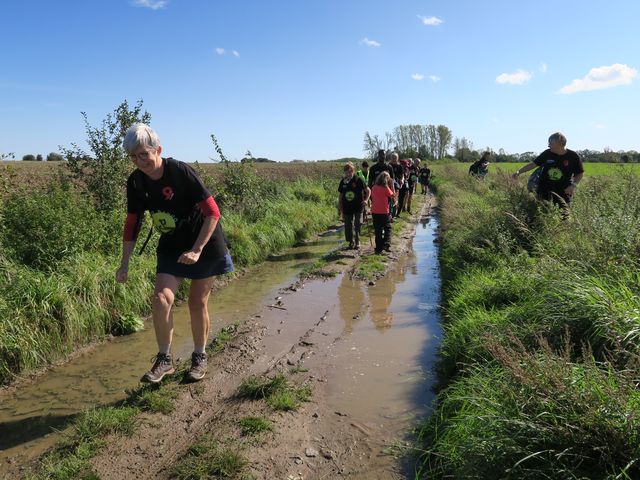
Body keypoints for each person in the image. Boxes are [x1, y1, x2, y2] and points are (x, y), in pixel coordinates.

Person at [115, 123, 233, 384]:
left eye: (144, 154)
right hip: (171, 244)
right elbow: (132, 221)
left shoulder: (179, 171)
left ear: (158, 149)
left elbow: (213, 212)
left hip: (204, 242)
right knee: (160, 299)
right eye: (133, 156)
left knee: (196, 302)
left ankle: (199, 356)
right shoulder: (135, 182)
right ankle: (164, 359)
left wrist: (196, 250)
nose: (139, 161)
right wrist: (124, 263)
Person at [513, 132, 584, 209]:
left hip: (563, 191)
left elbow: (579, 173)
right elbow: (533, 164)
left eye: (551, 143)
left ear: (560, 144)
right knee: (541, 212)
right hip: (544, 190)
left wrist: (572, 186)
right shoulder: (547, 153)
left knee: (565, 215)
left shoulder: (573, 156)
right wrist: (519, 172)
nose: (548, 145)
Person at [338, 162, 370, 249]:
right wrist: (339, 206)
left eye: (349, 172)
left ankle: (357, 240)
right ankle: (351, 241)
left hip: (358, 206)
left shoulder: (358, 180)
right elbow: (340, 195)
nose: (348, 174)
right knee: (348, 225)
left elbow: (368, 190)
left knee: (358, 224)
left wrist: (366, 200)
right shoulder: (343, 181)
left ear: (353, 171)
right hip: (347, 207)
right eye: (346, 172)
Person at [370, 171, 395, 254]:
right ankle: (386, 244)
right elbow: (392, 195)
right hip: (384, 211)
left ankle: (378, 248)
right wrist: (391, 185)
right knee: (387, 228)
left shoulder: (374, 187)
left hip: (375, 211)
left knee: (378, 230)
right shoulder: (385, 187)